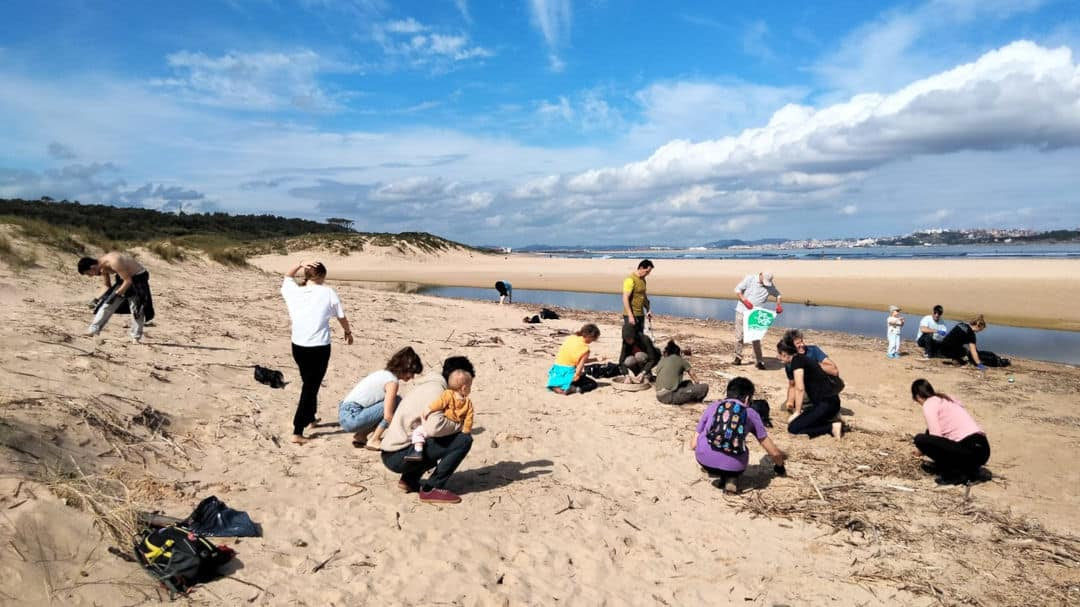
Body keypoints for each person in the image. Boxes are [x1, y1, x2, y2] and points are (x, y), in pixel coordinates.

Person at [380, 356, 477, 504]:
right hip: (398, 455)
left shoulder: (432, 384)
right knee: (463, 440)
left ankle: (409, 480)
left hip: (393, 451)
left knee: (442, 436)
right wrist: (461, 425)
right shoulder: (437, 391)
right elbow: (434, 428)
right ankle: (432, 489)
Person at [280, 261, 353, 445]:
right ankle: (298, 430)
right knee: (310, 386)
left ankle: (311, 418)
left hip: (298, 346)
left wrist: (298, 264)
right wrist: (348, 332)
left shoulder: (294, 290)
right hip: (319, 347)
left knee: (309, 383)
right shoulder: (328, 292)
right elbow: (341, 317)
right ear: (321, 276)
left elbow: (287, 276)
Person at [693, 377, 786, 494]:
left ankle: (719, 473)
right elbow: (773, 452)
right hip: (734, 467)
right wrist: (780, 467)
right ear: (747, 398)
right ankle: (731, 479)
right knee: (739, 448)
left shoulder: (713, 406)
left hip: (704, 460)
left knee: (711, 446)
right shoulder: (751, 413)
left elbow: (693, 444)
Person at [339, 346, 423, 449]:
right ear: (405, 368)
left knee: (390, 403)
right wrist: (403, 431)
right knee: (396, 401)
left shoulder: (383, 374)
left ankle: (361, 436)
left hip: (345, 413)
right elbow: (388, 416)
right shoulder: (392, 382)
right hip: (352, 417)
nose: (412, 377)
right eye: (412, 373)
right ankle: (374, 439)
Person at [910, 379, 990, 485]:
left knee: (920, 439)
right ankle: (969, 470)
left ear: (917, 397)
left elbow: (935, 436)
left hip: (969, 449)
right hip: (983, 449)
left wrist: (922, 448)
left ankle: (955, 474)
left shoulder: (929, 404)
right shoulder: (946, 398)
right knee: (929, 435)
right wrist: (921, 451)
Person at [78, 252, 155, 343]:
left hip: (138, 277)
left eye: (88, 274)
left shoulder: (114, 261)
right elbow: (107, 286)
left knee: (136, 308)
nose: (90, 276)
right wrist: (96, 299)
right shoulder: (102, 268)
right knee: (106, 305)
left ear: (92, 268)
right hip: (124, 278)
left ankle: (136, 337)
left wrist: (117, 295)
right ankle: (93, 330)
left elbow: (128, 281)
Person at [404, 369, 474, 462]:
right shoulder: (468, 403)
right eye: (470, 387)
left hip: (443, 424)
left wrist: (429, 408)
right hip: (453, 429)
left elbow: (440, 403)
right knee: (445, 442)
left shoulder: (448, 394)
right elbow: (469, 418)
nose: (470, 389)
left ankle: (418, 451)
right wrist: (466, 431)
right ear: (464, 388)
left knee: (418, 432)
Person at [776, 340, 842, 438]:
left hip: (826, 404)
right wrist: (790, 403)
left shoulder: (797, 361)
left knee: (793, 428)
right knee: (803, 421)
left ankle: (831, 427)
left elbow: (800, 388)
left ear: (785, 354)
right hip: (831, 402)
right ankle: (831, 421)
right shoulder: (802, 359)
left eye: (779, 354)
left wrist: (797, 412)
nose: (777, 357)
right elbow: (793, 385)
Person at [733, 272, 782, 370]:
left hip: (756, 314)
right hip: (742, 311)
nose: (764, 284)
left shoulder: (770, 286)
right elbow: (737, 290)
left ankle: (759, 361)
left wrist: (779, 305)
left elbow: (778, 295)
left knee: (756, 338)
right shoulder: (749, 278)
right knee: (740, 336)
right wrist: (745, 301)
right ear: (761, 275)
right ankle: (738, 357)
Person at [547, 324, 601, 395]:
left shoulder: (571, 338)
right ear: (590, 336)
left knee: (579, 374)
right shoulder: (585, 349)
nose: (593, 340)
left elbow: (576, 359)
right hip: (568, 372)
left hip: (556, 370)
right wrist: (578, 375)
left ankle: (556, 385)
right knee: (592, 384)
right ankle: (571, 389)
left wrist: (595, 359)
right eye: (594, 338)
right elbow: (579, 369)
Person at [654, 340, 709, 405]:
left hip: (659, 395)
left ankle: (689, 395)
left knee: (688, 383)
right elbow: (692, 373)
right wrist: (697, 383)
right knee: (704, 387)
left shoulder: (662, 361)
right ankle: (696, 402)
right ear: (678, 352)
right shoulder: (681, 360)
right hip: (669, 396)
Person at [621, 260, 654, 336]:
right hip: (631, 315)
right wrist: (630, 316)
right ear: (641, 268)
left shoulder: (643, 279)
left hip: (640, 314)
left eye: (649, 272)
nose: (648, 274)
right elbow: (625, 298)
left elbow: (644, 296)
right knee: (631, 339)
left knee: (639, 339)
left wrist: (648, 309)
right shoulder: (630, 280)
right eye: (647, 271)